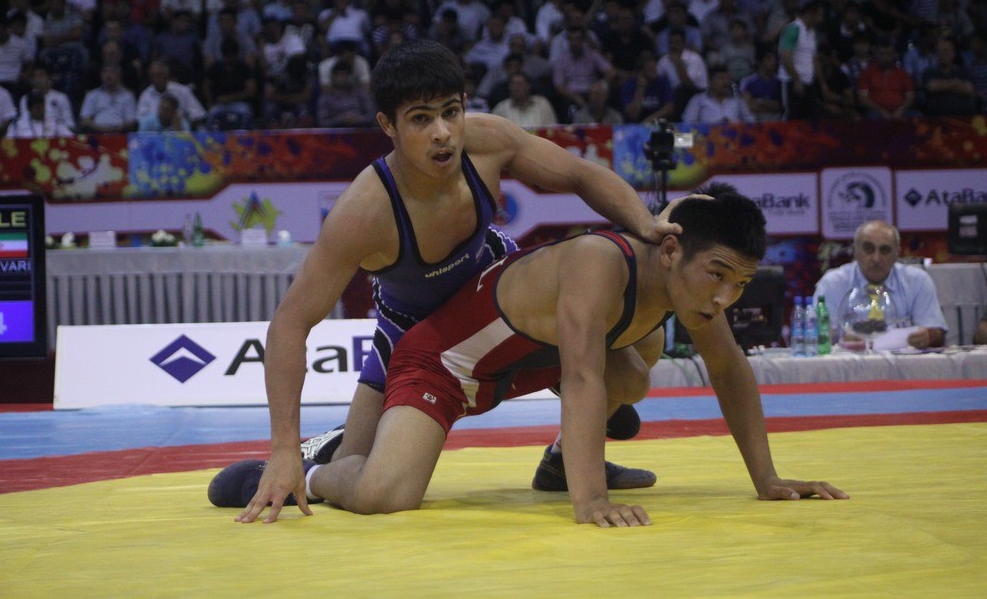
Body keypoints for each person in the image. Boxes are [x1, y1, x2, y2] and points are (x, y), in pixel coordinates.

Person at [208, 39, 680, 510]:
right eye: (420, 119)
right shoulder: (364, 211)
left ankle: (562, 459)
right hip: (416, 335)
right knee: (367, 478)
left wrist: (646, 224)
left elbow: (579, 173)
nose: (442, 134)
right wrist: (282, 448)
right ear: (388, 126)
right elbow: (290, 323)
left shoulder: (486, 140)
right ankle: (316, 462)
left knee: (641, 344)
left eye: (451, 112)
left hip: (501, 302)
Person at [233, 184, 848, 526]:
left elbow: (729, 368)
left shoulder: (693, 290)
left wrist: (767, 479)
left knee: (636, 368)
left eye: (740, 284)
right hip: (444, 366)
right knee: (383, 494)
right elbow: (580, 379)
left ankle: (558, 464)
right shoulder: (599, 263)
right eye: (718, 275)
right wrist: (592, 501)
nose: (724, 297)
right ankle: (312, 471)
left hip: (524, 364)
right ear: (670, 251)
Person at [814, 220, 947, 350]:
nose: (876, 258)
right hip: (848, 360)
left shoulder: (917, 281)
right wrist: (839, 337)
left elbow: (937, 333)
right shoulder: (832, 283)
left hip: (901, 362)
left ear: (897, 253)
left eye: (885, 250)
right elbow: (817, 335)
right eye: (868, 249)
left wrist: (928, 336)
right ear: (855, 251)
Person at [778, 1, 823, 120]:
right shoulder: (793, 29)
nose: (821, 19)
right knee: (792, 116)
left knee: (811, 117)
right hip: (791, 82)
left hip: (808, 82)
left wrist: (822, 83)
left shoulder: (812, 32)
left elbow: (814, 58)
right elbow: (786, 57)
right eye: (819, 15)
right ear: (810, 14)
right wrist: (796, 79)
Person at [136, 60, 206, 128]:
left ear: (167, 75)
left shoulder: (182, 91)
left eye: (159, 74)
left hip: (180, 131)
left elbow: (198, 115)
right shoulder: (145, 95)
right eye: (153, 76)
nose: (156, 78)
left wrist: (184, 126)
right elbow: (141, 121)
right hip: (154, 133)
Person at [681, 65, 755, 124]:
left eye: (728, 78)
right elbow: (687, 123)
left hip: (734, 136)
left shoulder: (738, 101)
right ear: (710, 81)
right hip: (706, 137)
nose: (726, 82)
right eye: (721, 78)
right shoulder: (698, 100)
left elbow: (751, 122)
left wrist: (735, 124)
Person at [78, 64, 136, 133]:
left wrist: (117, 129)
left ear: (119, 75)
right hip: (97, 133)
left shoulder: (128, 96)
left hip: (120, 133)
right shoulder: (92, 95)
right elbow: (85, 119)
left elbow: (131, 121)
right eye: (105, 72)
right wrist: (102, 129)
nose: (108, 75)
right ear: (101, 75)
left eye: (112, 72)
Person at [491, 71, 558, 128]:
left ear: (528, 86)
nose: (516, 87)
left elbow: (552, 130)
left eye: (520, 83)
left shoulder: (542, 103)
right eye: (513, 84)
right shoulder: (501, 107)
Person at [7, 90, 72, 137]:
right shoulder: (17, 125)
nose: (41, 110)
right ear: (29, 109)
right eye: (37, 108)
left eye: (42, 106)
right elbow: (8, 142)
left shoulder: (54, 122)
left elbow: (70, 137)